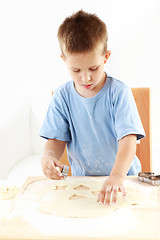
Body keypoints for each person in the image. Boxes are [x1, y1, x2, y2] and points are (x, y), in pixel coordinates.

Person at [39, 10, 145, 205]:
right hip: (83, 184)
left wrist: (116, 176)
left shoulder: (119, 93)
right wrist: (48, 158)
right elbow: (55, 141)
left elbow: (128, 140)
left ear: (106, 57)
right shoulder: (62, 97)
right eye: (76, 70)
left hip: (124, 180)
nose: (85, 78)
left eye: (93, 68)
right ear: (64, 60)